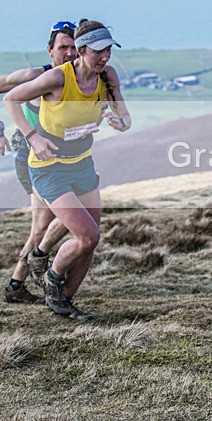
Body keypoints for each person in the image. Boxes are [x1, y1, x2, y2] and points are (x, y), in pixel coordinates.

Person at [3, 19, 131, 319]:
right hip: (48, 167)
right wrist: (32, 137)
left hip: (82, 164)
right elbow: (11, 98)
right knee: (80, 234)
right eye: (99, 51)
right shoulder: (53, 78)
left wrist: (120, 123)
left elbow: (124, 116)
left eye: (109, 50)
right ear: (81, 51)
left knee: (91, 238)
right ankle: (45, 275)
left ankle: (62, 300)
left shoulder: (107, 76)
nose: (105, 57)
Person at [1, 21, 76, 304]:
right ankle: (33, 266)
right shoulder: (34, 76)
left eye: (74, 48)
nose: (69, 54)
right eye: (63, 48)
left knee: (46, 224)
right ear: (49, 50)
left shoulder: (80, 78)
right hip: (30, 157)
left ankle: (17, 282)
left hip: (62, 160)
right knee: (54, 219)